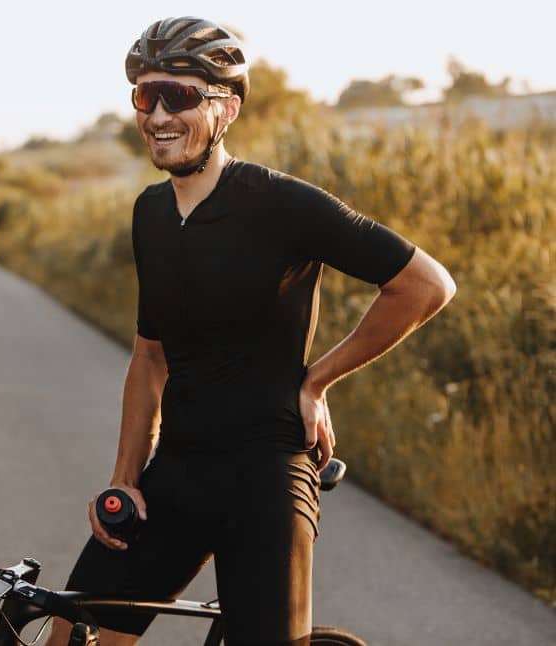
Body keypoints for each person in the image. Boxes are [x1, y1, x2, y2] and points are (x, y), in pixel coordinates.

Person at [44, 16, 456, 646]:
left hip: (265, 481)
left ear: (226, 107)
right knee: (77, 637)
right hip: (175, 475)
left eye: (177, 96)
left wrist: (317, 381)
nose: (157, 115)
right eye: (144, 96)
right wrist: (125, 477)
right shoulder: (150, 213)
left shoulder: (280, 204)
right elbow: (150, 358)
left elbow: (424, 285)